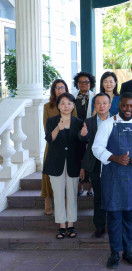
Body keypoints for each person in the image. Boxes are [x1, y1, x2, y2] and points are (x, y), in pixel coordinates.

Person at [92, 93, 132, 269]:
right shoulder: (107, 125)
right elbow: (97, 149)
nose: (128, 109)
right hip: (112, 178)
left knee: (130, 217)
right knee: (113, 217)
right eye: (125, 106)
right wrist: (114, 158)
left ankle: (128, 251)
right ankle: (114, 253)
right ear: (119, 105)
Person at [43, 92, 83, 240]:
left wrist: (84, 135)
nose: (66, 106)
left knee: (72, 194)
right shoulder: (52, 121)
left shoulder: (78, 122)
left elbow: (81, 144)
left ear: (73, 106)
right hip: (56, 164)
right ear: (58, 106)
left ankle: (71, 224)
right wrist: (57, 129)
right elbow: (49, 139)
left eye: (69, 103)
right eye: (63, 103)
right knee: (59, 195)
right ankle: (61, 225)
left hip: (73, 163)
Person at [78, 92, 112, 239]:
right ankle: (99, 227)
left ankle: (112, 226)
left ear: (110, 105)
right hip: (95, 164)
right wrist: (83, 134)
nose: (102, 106)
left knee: (111, 196)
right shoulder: (89, 121)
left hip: (113, 163)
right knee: (98, 196)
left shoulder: (116, 120)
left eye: (104, 103)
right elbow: (82, 139)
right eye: (98, 103)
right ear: (94, 105)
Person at [42, 79, 77, 216]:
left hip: (68, 144)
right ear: (53, 90)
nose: (60, 90)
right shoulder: (47, 106)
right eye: (57, 88)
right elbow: (47, 128)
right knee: (47, 171)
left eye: (62, 87)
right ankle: (47, 198)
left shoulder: (70, 104)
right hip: (53, 142)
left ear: (66, 89)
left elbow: (75, 124)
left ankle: (66, 201)